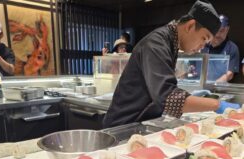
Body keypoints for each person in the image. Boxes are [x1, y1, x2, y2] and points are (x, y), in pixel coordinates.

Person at [103, 0, 240, 128]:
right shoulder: (157, 43)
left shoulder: (170, 42)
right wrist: (217, 105)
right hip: (122, 125)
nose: (201, 47)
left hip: (138, 123)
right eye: (203, 39)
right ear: (190, 26)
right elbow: (168, 98)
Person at [201, 14, 240, 82]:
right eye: (216, 30)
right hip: (199, 83)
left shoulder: (232, 48)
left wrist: (214, 85)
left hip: (219, 87)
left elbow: (230, 74)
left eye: (221, 30)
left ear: (227, 29)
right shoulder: (202, 45)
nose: (217, 34)